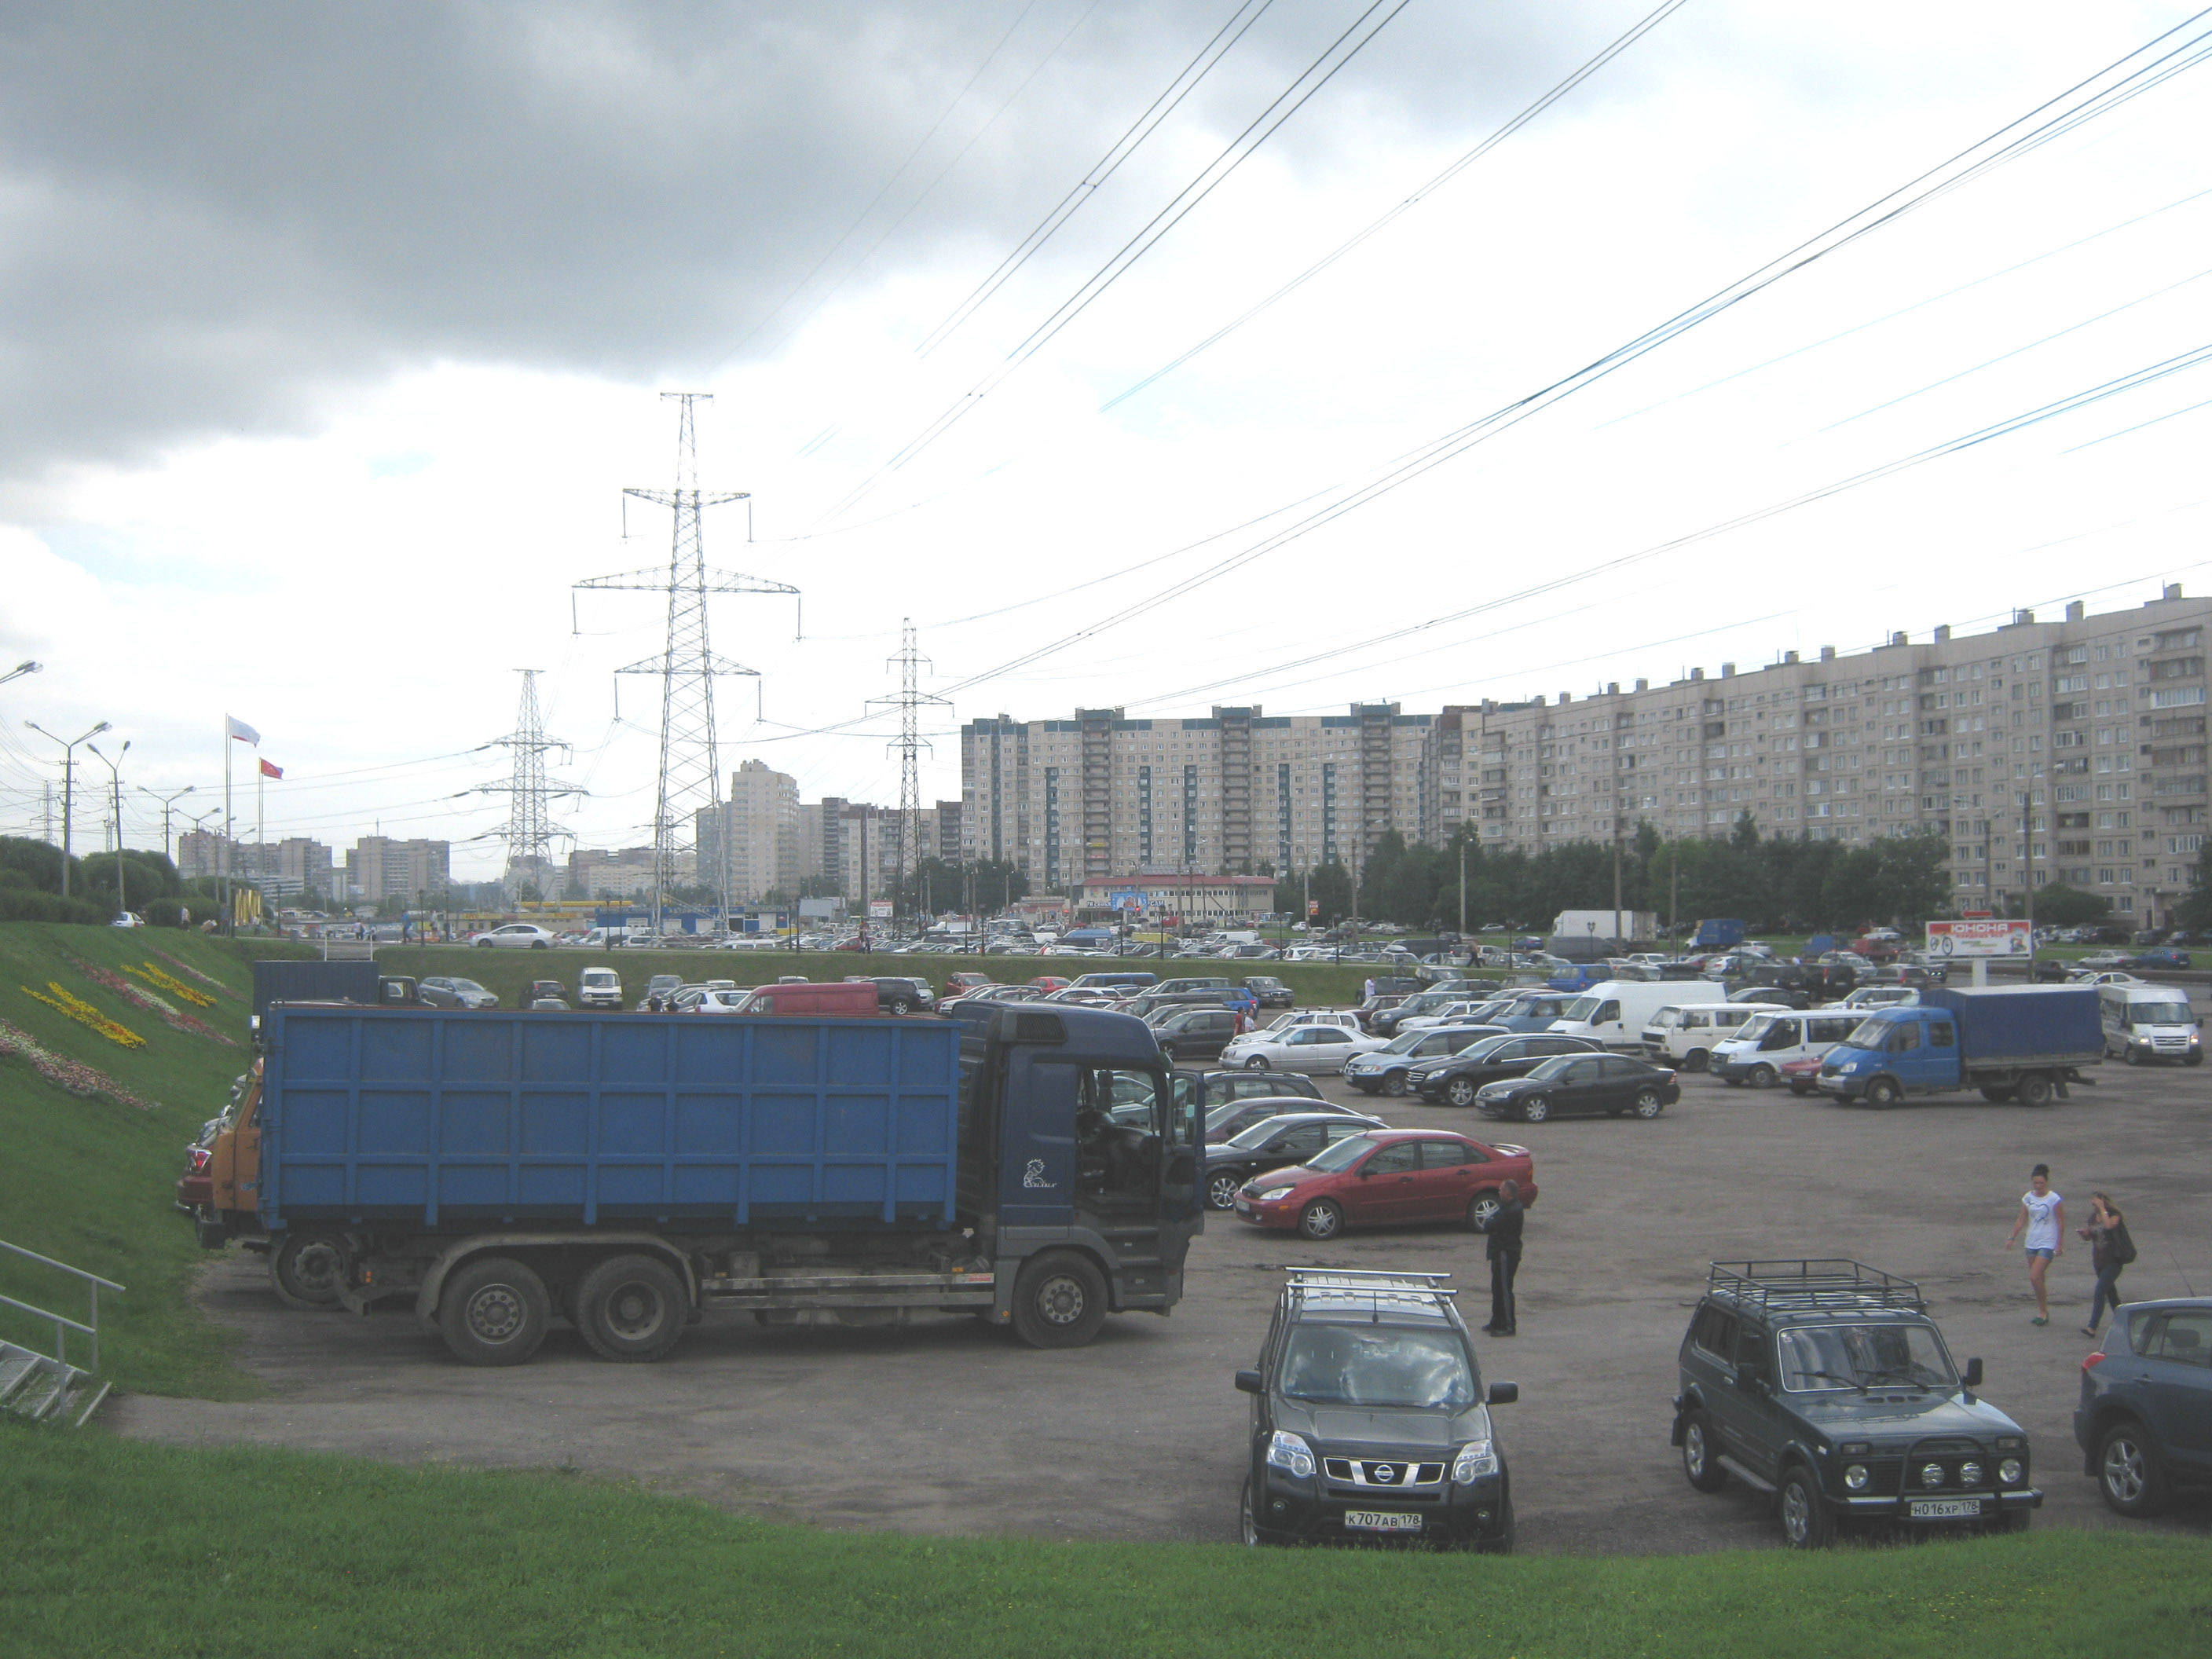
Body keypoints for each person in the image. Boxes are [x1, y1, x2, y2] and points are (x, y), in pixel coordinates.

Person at [2003, 1163, 2064, 1326]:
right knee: (2038, 1279)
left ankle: (2043, 1311)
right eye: (2035, 1183)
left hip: (2047, 1242)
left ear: (2047, 1183)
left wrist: (2059, 1244)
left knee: (2034, 1276)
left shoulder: (2053, 1199)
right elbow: (2022, 1219)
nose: (2038, 1186)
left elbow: (2060, 1221)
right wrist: (2012, 1237)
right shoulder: (2028, 1198)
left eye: (2041, 1183)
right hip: (2031, 1241)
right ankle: (2042, 1309)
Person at [2079, 1192, 2134, 1339]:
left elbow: (2109, 1226)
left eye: (2096, 1204)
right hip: (2099, 1261)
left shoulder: (2114, 1215)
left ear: (2103, 1202)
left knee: (2100, 1291)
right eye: (2093, 1204)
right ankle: (2125, 1321)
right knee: (2111, 1294)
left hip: (2114, 1260)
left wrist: (2103, 1209)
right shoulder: (2093, 1218)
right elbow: (2090, 1235)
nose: (2094, 1207)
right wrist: (2084, 1234)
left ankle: (2092, 1327)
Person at [1477, 1179, 1525, 1336]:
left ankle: (1509, 1326)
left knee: (1504, 1289)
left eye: (1501, 1190)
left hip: (1506, 1253)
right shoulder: (1506, 1207)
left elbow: (1490, 1225)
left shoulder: (1512, 1210)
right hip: (1499, 1252)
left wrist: (1491, 1224)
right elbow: (1490, 1223)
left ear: (1508, 1193)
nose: (1499, 1192)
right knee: (1496, 1288)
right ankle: (1497, 1321)